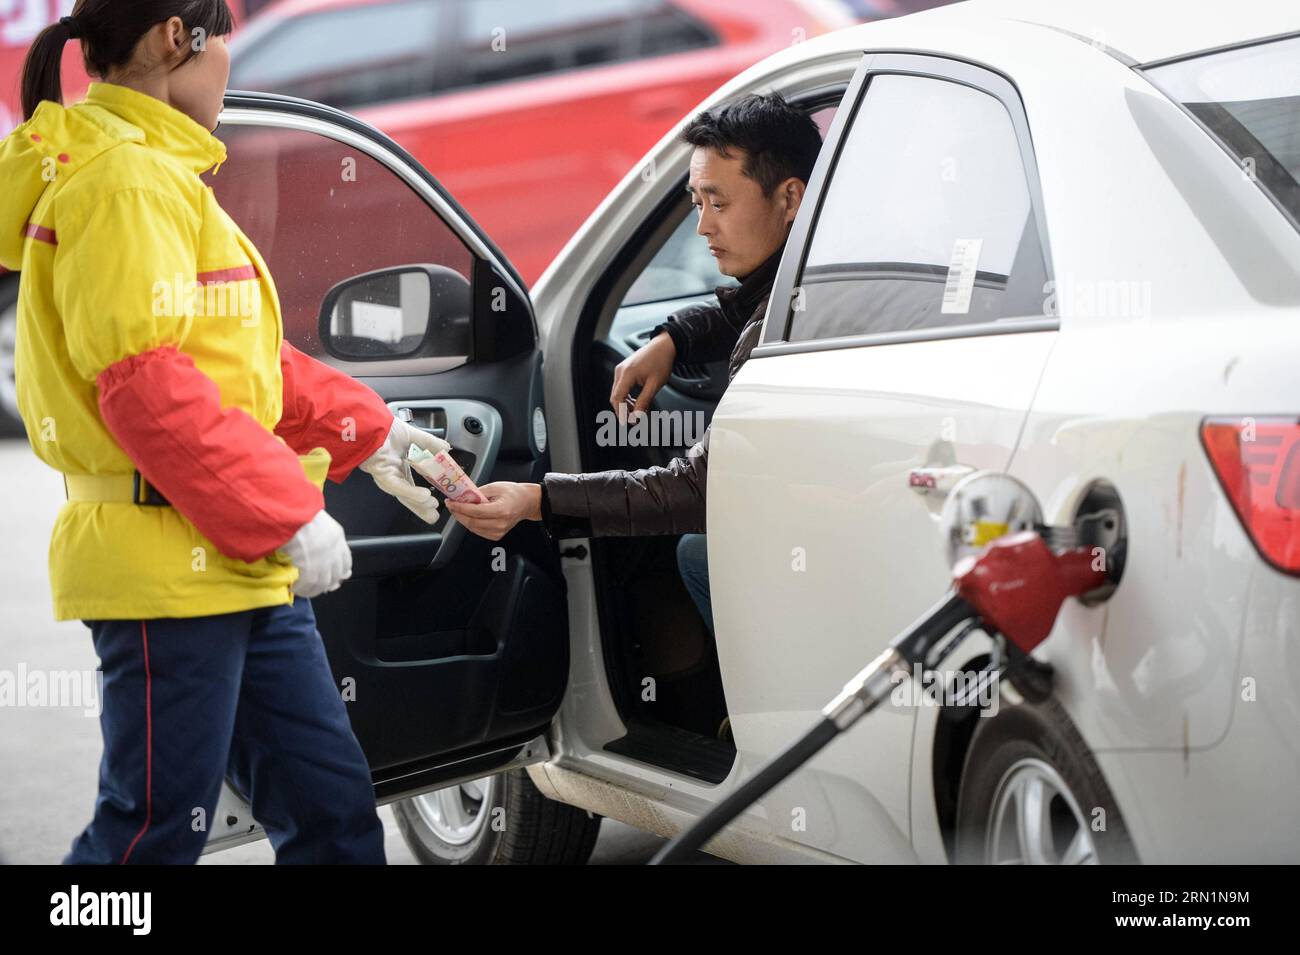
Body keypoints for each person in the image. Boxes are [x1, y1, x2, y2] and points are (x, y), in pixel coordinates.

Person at [1, 0, 451, 864]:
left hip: (237, 562)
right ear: (180, 37)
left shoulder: (157, 174)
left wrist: (376, 431)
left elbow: (243, 364)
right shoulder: (122, 182)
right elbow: (148, 387)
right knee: (150, 832)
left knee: (333, 811)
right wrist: (285, 508)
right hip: (164, 569)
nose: (231, 74)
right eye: (227, 49)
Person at [448, 93, 823, 634]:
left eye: (718, 203)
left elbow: (698, 491)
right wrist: (674, 337)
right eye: (696, 204)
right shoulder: (819, 273)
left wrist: (537, 500)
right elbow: (747, 303)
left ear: (790, 198)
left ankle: (776, 715)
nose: (702, 227)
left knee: (697, 551)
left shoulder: (779, 329)